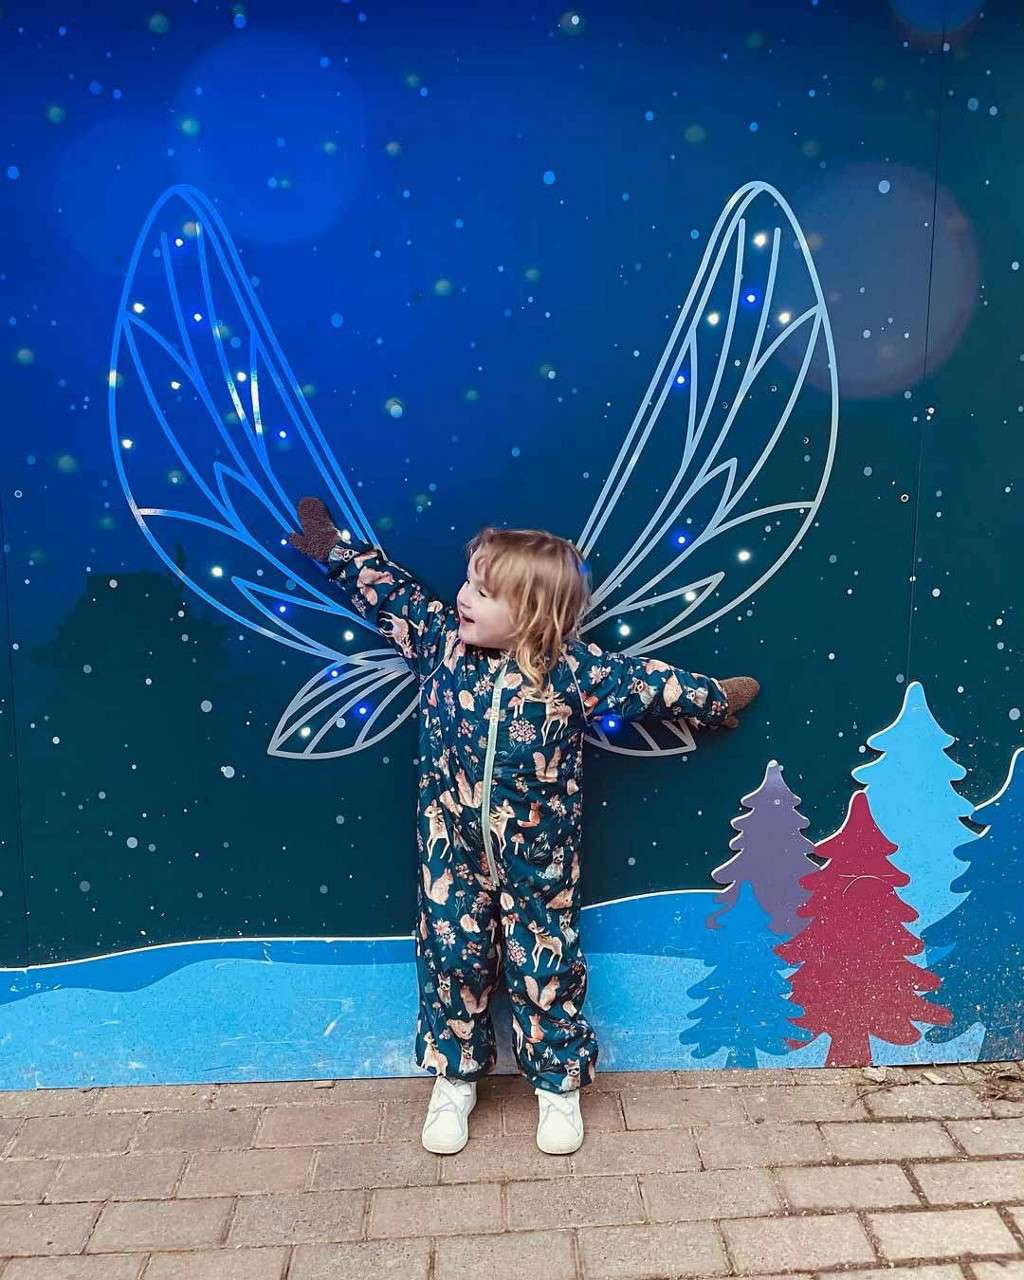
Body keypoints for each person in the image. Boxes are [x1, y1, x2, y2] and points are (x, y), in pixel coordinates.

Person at [288, 497, 759, 1156]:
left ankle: (558, 1086)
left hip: (538, 861)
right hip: (450, 850)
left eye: (485, 591)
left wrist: (712, 701)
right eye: (468, 581)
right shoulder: (440, 643)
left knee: (545, 963)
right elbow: (392, 593)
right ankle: (455, 1079)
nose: (463, 597)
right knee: (452, 959)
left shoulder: (571, 671)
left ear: (533, 614)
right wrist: (338, 553)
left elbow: (646, 685)